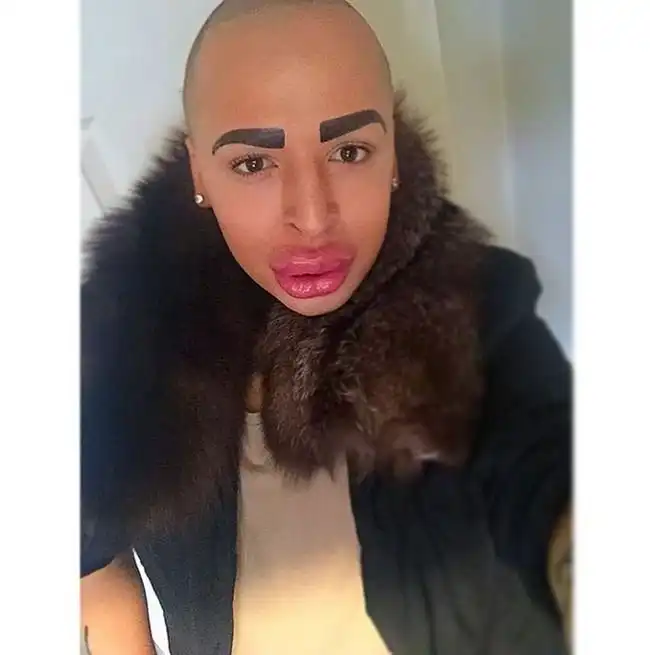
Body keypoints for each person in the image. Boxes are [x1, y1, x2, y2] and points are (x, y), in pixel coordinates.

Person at [80, 1, 572, 653]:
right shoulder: (122, 336)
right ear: (200, 174)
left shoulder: (475, 307)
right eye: (253, 163)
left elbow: (548, 458)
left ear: (392, 157)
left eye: (349, 150)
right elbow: (83, 546)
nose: (312, 218)